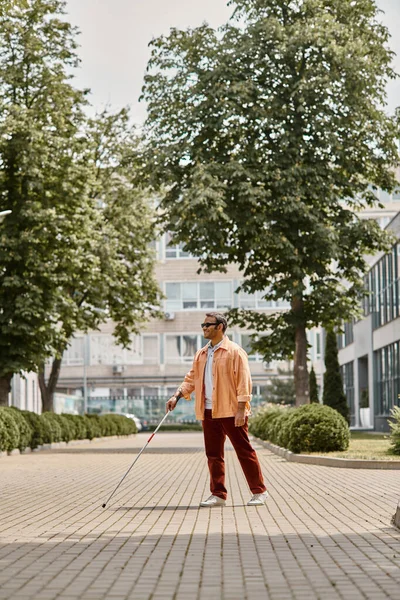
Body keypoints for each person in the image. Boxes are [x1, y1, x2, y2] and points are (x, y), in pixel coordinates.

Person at [166, 312, 268, 507]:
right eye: (203, 325)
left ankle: (259, 491)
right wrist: (176, 396)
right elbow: (191, 379)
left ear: (220, 326)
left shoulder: (234, 352)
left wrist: (241, 409)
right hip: (208, 411)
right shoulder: (201, 353)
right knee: (213, 455)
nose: (204, 328)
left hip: (231, 411)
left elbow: (244, 382)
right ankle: (218, 495)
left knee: (244, 452)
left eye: (208, 325)